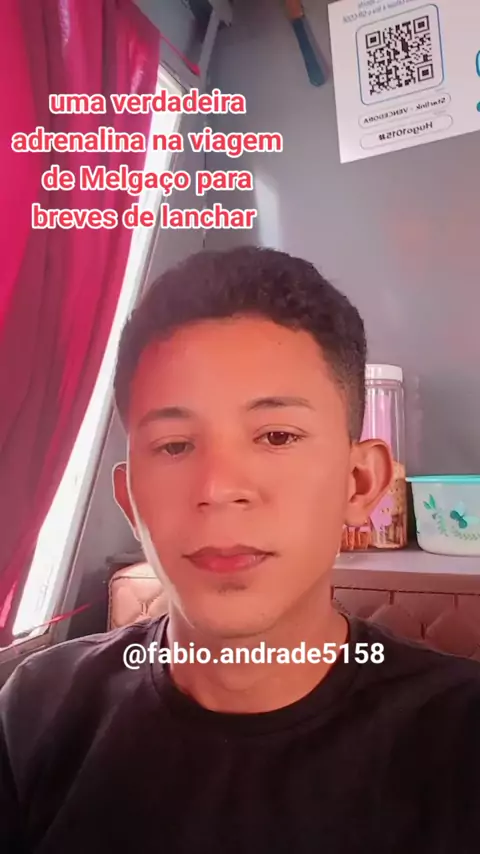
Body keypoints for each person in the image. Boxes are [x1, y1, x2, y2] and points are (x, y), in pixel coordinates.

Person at [1, 245, 479, 854]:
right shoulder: (37, 710)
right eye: (175, 445)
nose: (219, 488)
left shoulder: (459, 740)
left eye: (276, 436)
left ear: (360, 483)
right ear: (130, 500)